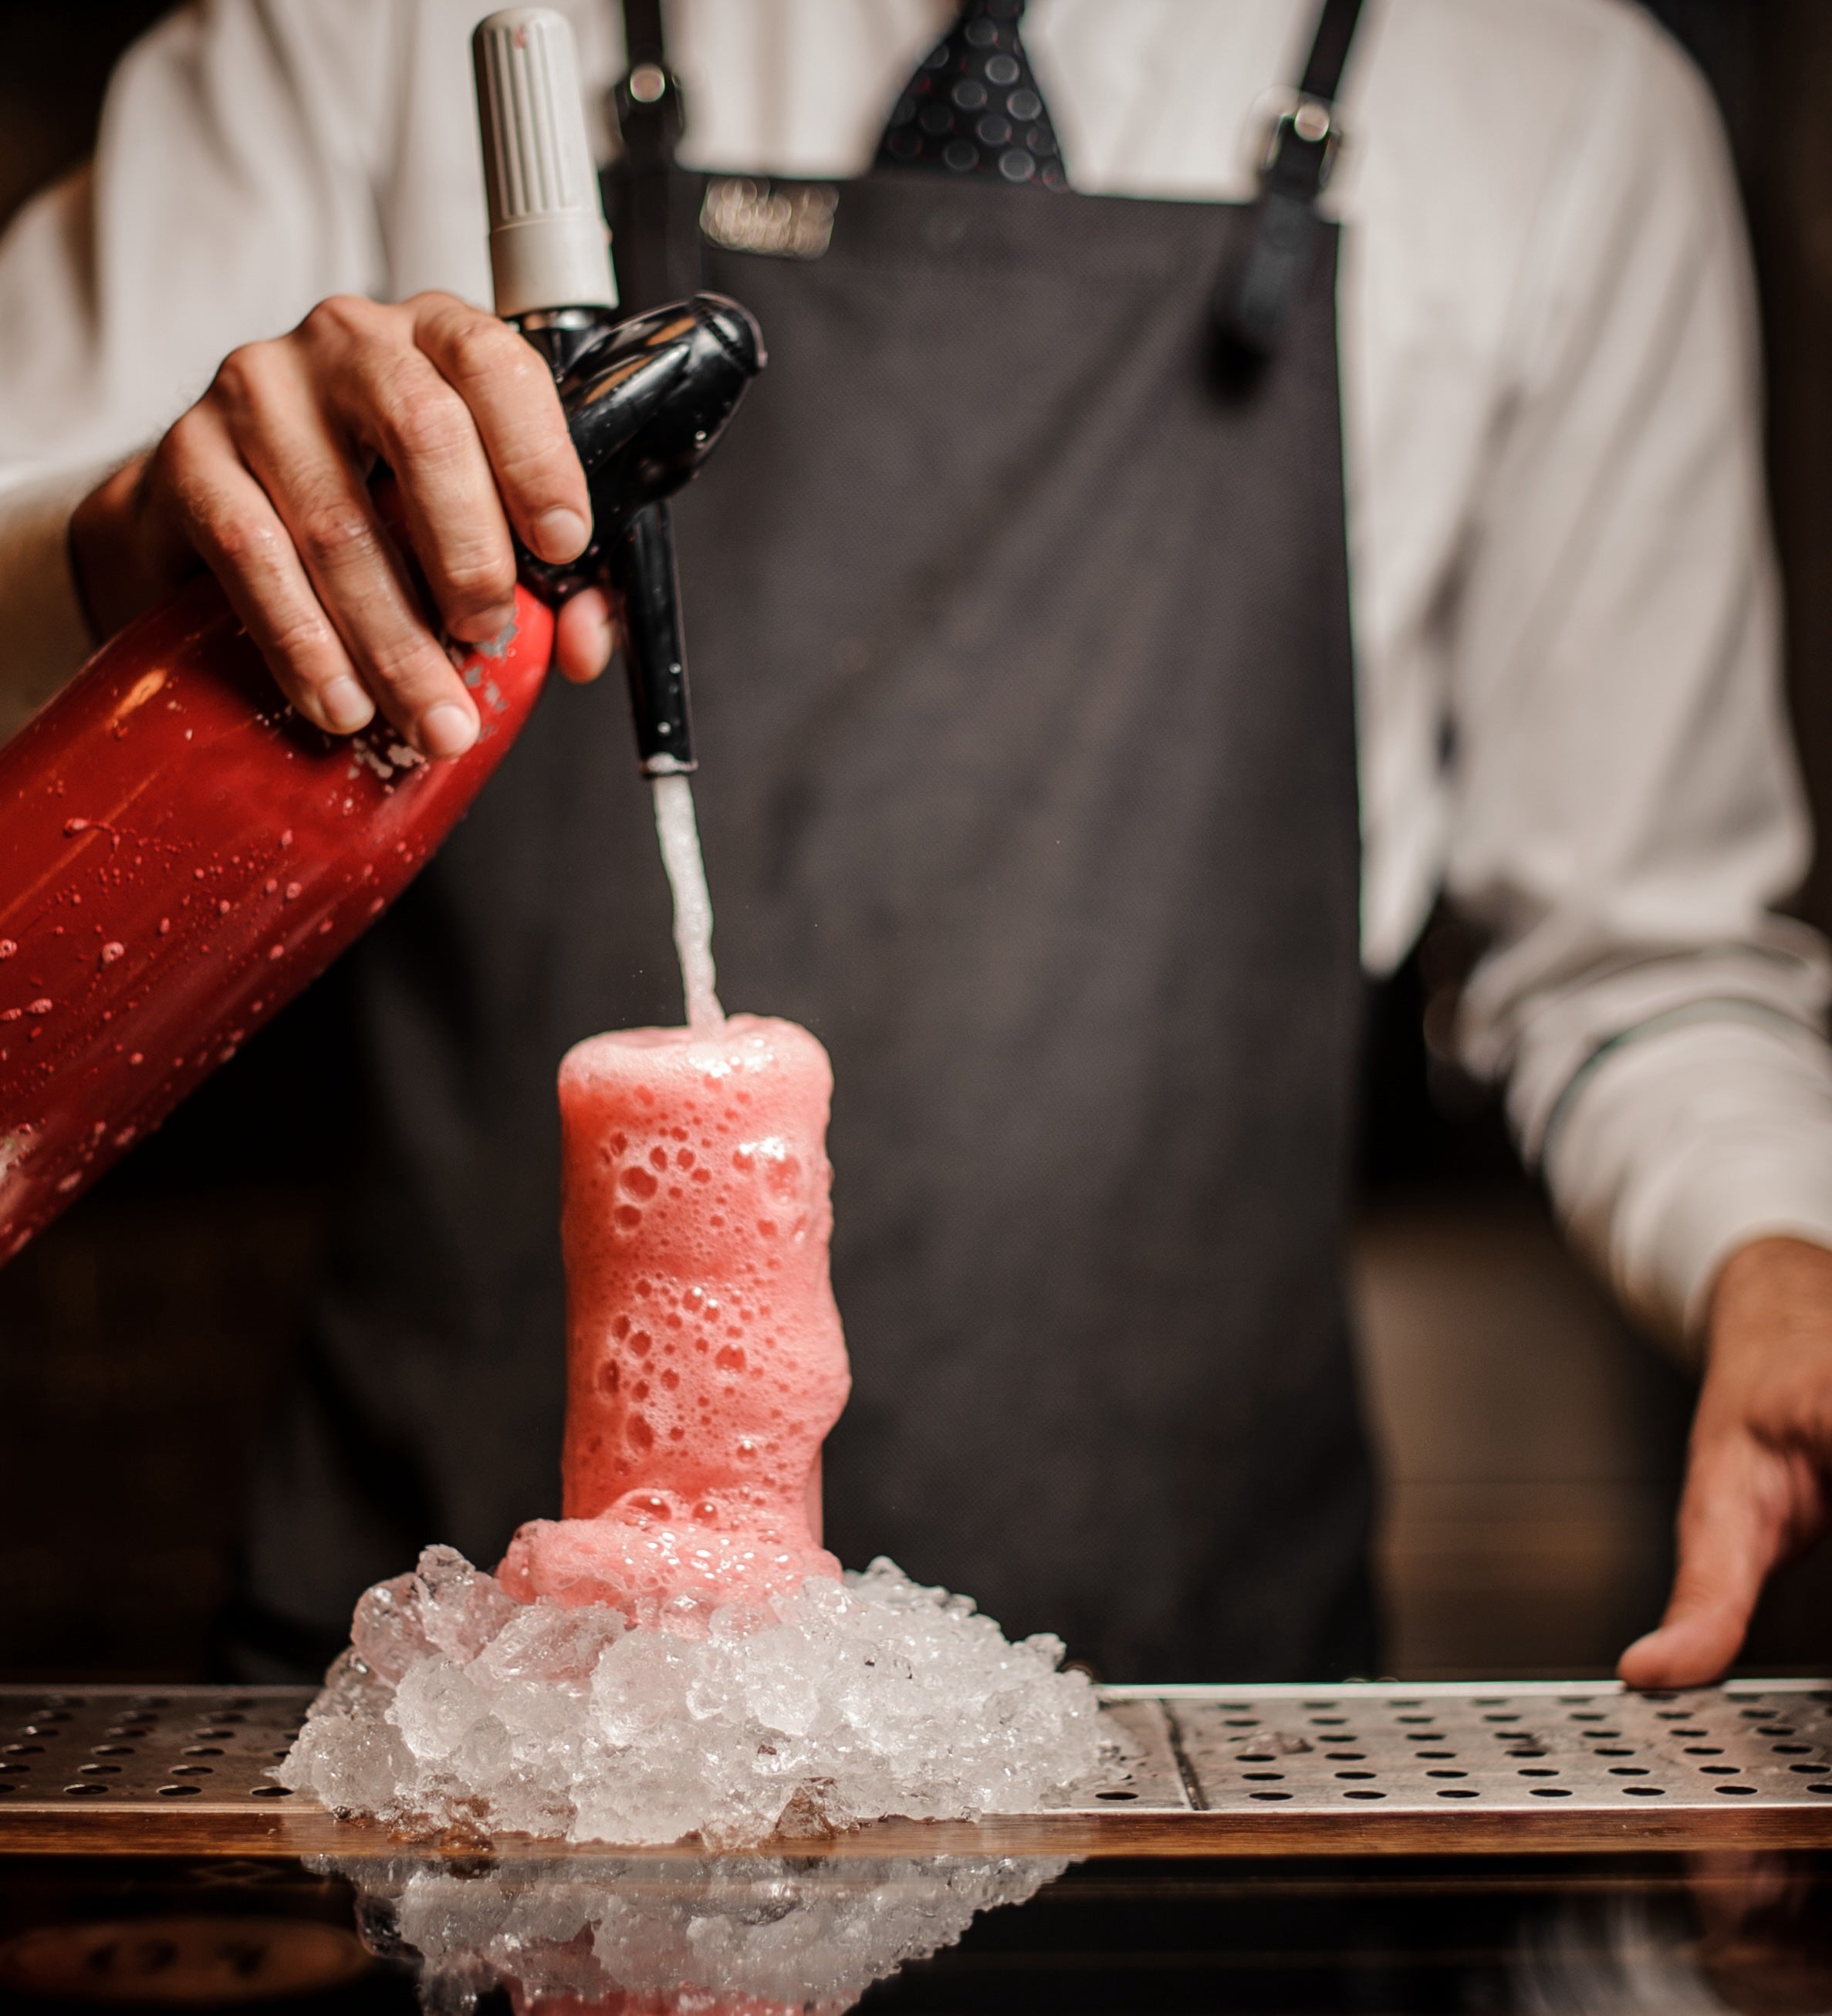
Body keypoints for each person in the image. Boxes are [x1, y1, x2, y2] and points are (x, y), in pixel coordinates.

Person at [0, 0, 1829, 1686]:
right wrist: (117, 553)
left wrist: (1780, 1250)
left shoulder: (1552, 104)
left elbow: (1634, 958)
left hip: (1179, 1716)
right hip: (460, 1719)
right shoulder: (360, 34)